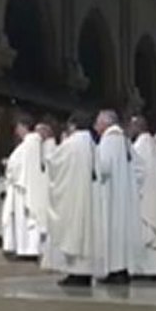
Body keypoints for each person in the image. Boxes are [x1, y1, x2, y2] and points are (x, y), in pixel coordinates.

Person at [45, 112, 97, 287]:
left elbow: (52, 161)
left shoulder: (72, 143)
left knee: (73, 233)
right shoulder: (91, 143)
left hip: (73, 196)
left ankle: (76, 273)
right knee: (86, 234)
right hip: (88, 197)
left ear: (73, 125)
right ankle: (85, 273)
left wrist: (50, 143)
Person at [93, 110, 141, 284]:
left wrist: (92, 166)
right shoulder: (125, 140)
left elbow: (103, 167)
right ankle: (123, 269)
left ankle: (114, 270)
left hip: (110, 195)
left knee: (112, 231)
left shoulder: (108, 140)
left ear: (106, 123)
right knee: (123, 232)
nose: (95, 126)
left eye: (98, 122)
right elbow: (140, 168)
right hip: (125, 196)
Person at [1, 116, 49, 258]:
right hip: (35, 187)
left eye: (18, 127)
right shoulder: (38, 143)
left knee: (24, 220)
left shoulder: (27, 144)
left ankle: (26, 249)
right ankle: (32, 248)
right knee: (33, 219)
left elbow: (15, 166)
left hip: (22, 188)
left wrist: (7, 165)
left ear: (23, 127)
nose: (16, 131)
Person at [131, 117, 156, 278]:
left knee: (144, 231)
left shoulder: (140, 145)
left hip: (144, 197)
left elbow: (137, 172)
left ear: (138, 126)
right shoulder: (152, 144)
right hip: (154, 195)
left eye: (132, 125)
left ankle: (144, 270)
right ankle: (154, 269)